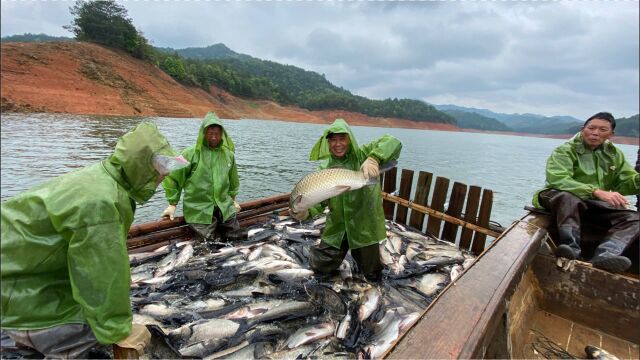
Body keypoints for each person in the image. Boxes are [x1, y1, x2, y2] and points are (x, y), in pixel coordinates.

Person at [1, 122, 188, 358]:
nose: (165, 174)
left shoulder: (101, 179)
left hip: (24, 276)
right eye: (160, 167)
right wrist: (117, 330)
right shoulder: (102, 203)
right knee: (86, 336)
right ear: (140, 167)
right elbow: (100, 273)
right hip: (22, 293)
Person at [290, 118, 402, 282]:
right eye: (333, 140)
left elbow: (394, 142)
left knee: (372, 274)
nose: (338, 144)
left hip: (364, 226)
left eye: (342, 138)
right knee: (319, 267)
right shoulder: (323, 169)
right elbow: (318, 204)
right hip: (337, 228)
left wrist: (374, 159)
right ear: (327, 143)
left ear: (350, 138)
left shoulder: (363, 154)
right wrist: (305, 212)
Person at [533, 112, 640, 273]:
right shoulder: (565, 150)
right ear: (583, 129)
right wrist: (596, 191)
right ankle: (570, 249)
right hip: (557, 197)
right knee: (569, 198)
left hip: (592, 204)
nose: (595, 133)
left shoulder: (614, 155)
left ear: (611, 134)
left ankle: (605, 255)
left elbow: (626, 183)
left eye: (602, 130)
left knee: (635, 218)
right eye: (591, 128)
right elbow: (558, 179)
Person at [161, 112, 247, 242]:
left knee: (237, 238)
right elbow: (173, 178)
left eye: (217, 134)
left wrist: (233, 200)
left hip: (224, 207)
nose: (214, 137)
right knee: (208, 243)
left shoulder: (228, 155)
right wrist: (172, 204)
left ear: (222, 134)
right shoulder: (190, 154)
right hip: (199, 209)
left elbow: (233, 181)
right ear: (203, 134)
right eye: (210, 133)